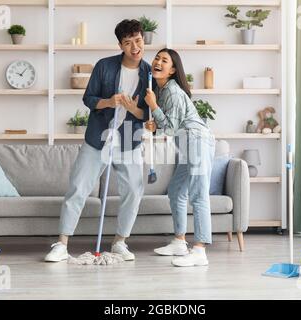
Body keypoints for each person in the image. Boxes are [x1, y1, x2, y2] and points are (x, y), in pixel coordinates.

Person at [45, 19, 151, 262]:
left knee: (134, 192)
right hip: (98, 138)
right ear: (120, 45)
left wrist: (133, 109)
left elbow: (147, 114)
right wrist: (109, 102)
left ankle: (120, 243)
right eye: (128, 43)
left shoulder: (149, 73)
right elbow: (88, 98)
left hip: (128, 141)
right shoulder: (104, 66)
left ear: (143, 39)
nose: (134, 47)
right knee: (78, 188)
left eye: (138, 40)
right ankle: (61, 244)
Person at [145, 49, 216, 267]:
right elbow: (167, 126)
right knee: (176, 190)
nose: (158, 61)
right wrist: (155, 123)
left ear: (173, 70)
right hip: (187, 146)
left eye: (164, 60)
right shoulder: (163, 90)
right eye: (157, 58)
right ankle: (179, 241)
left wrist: (154, 108)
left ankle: (200, 250)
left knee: (198, 193)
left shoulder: (172, 92)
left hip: (197, 142)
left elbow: (170, 127)